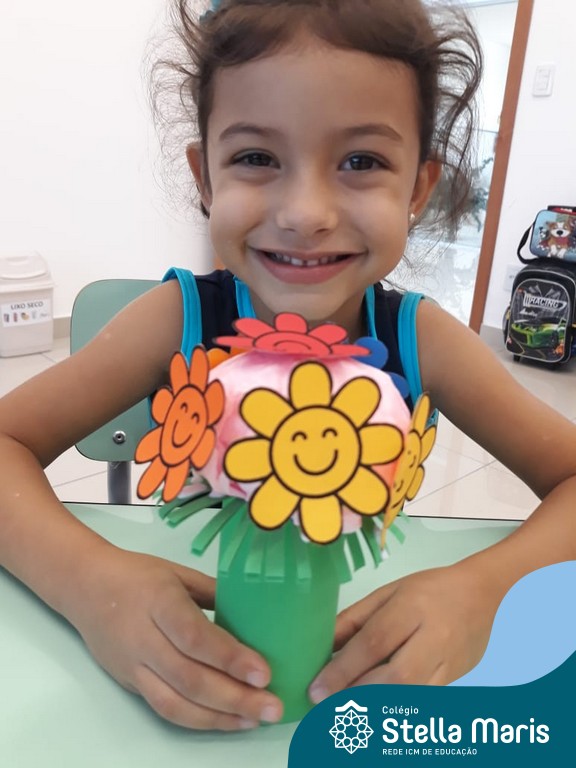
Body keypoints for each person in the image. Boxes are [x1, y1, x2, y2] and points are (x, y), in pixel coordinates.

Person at [1, 0, 575, 732]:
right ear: (205, 176)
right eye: (257, 158)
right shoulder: (178, 321)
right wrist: (89, 584)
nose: (305, 212)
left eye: (361, 162)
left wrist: (486, 591)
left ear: (418, 188)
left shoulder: (419, 338)